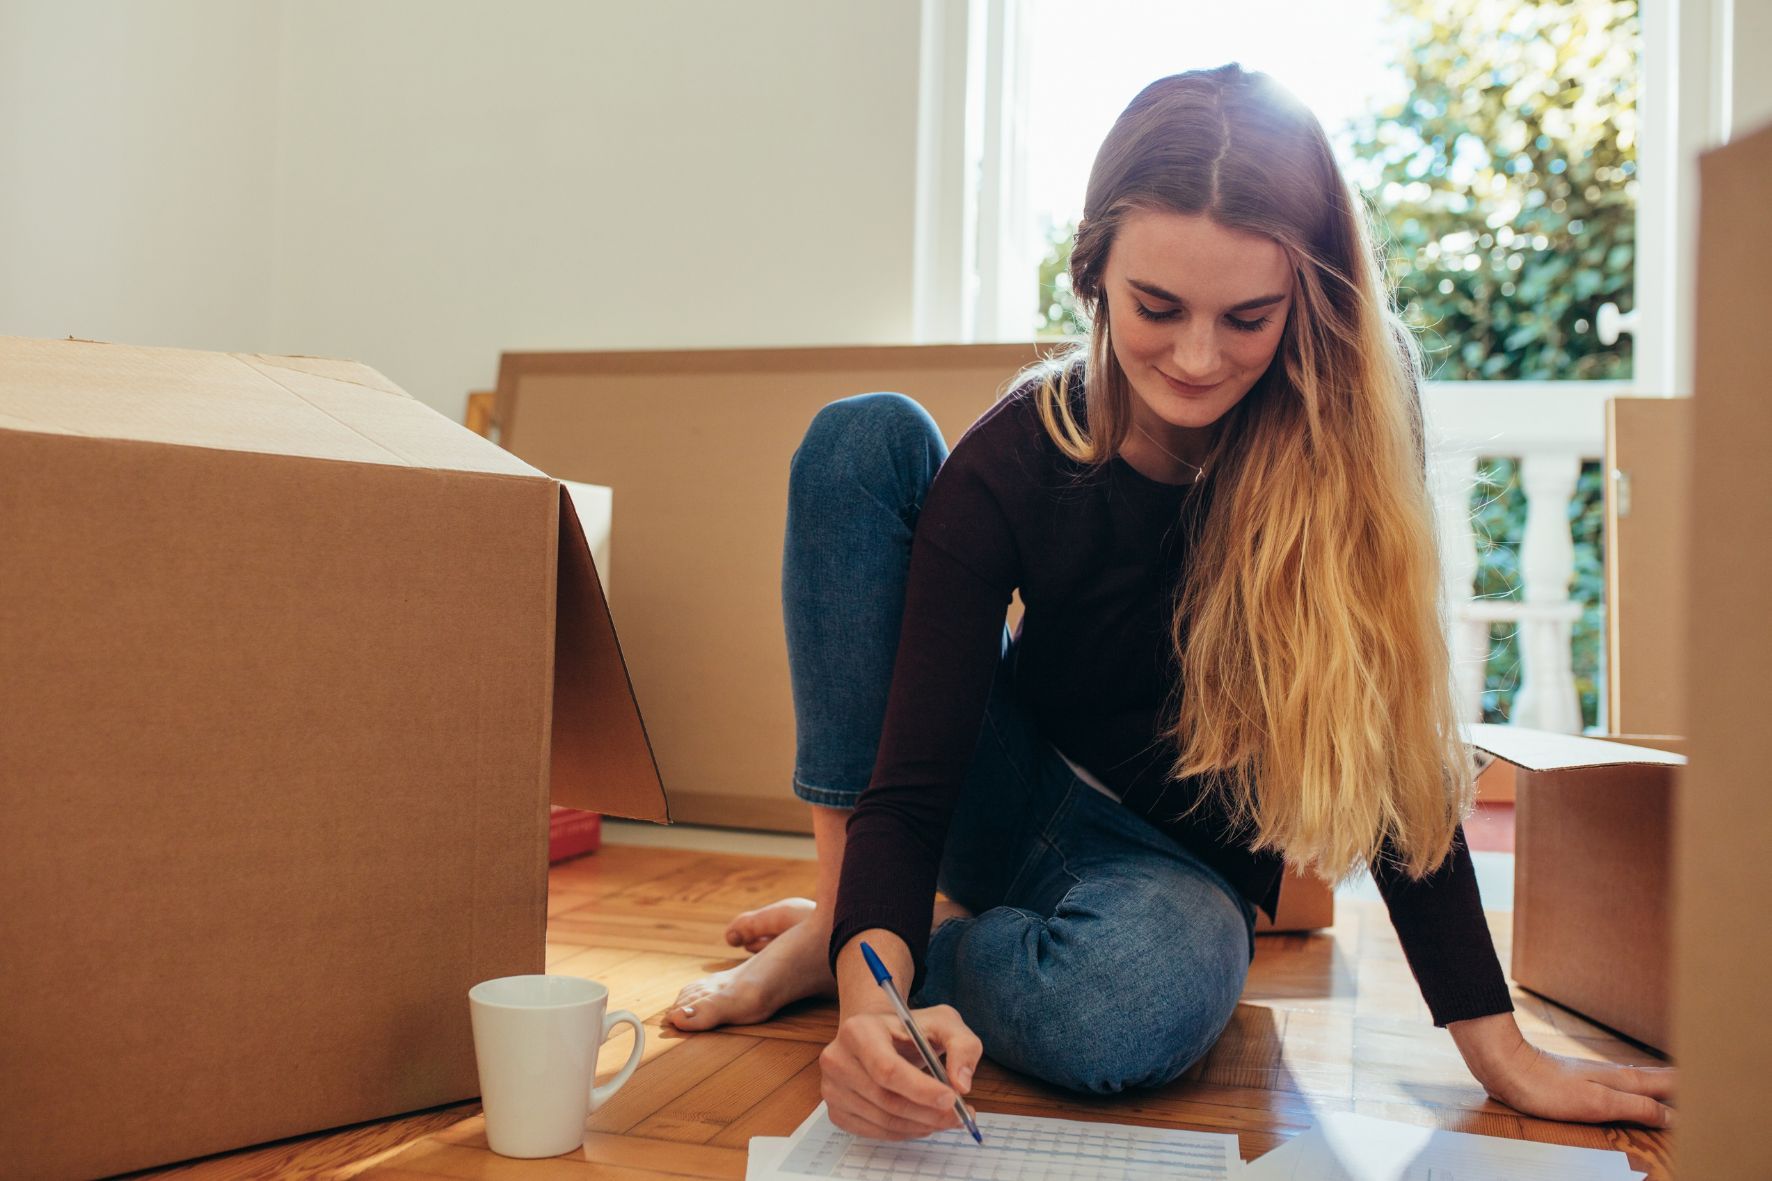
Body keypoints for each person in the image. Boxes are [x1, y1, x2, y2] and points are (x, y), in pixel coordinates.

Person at [665, 64, 1676, 1138]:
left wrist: (1498, 1047)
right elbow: (910, 783)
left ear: (1308, 297)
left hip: (1166, 869)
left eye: (1247, 317)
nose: (1197, 358)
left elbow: (1395, 763)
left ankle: (893, 934)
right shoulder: (1017, 451)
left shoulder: (1348, 448)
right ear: (1093, 271)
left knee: (1134, 1003)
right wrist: (870, 1013)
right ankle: (853, 928)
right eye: (1157, 306)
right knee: (859, 438)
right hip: (992, 783)